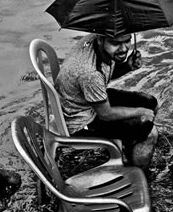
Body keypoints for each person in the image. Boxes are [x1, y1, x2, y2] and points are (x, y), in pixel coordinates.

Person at [55, 32, 158, 170]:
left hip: (87, 100)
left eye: (127, 41)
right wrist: (141, 112)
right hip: (81, 121)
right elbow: (106, 114)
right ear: (100, 40)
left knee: (151, 103)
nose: (123, 49)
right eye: (115, 43)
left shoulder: (92, 41)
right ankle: (136, 173)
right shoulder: (90, 73)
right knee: (150, 132)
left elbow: (103, 74)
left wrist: (127, 66)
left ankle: (130, 147)